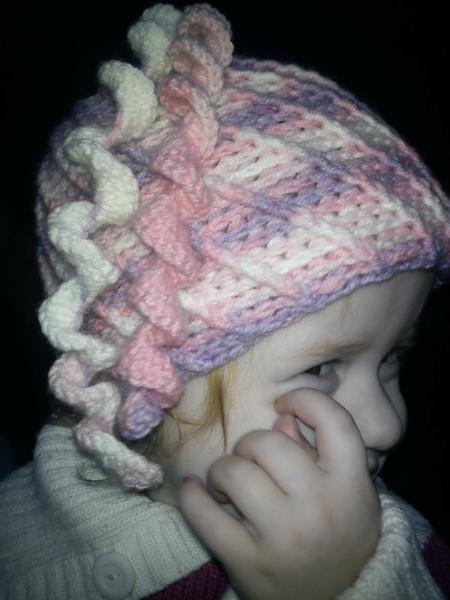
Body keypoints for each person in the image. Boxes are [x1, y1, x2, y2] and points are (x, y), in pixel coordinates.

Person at [0, 2, 449, 598]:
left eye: (392, 356)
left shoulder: (389, 557)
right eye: (322, 367)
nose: (387, 424)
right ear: (138, 370)